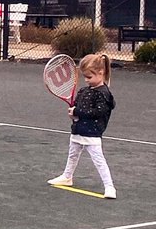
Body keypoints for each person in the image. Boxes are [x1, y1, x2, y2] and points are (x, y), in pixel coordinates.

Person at [48, 53, 117, 198]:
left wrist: (77, 111)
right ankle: (67, 177)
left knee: (99, 160)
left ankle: (109, 186)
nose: (86, 80)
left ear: (101, 73)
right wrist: (73, 114)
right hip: (78, 130)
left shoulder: (104, 94)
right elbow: (77, 108)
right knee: (72, 155)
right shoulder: (83, 91)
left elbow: (98, 112)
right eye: (84, 77)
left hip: (92, 133)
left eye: (89, 77)